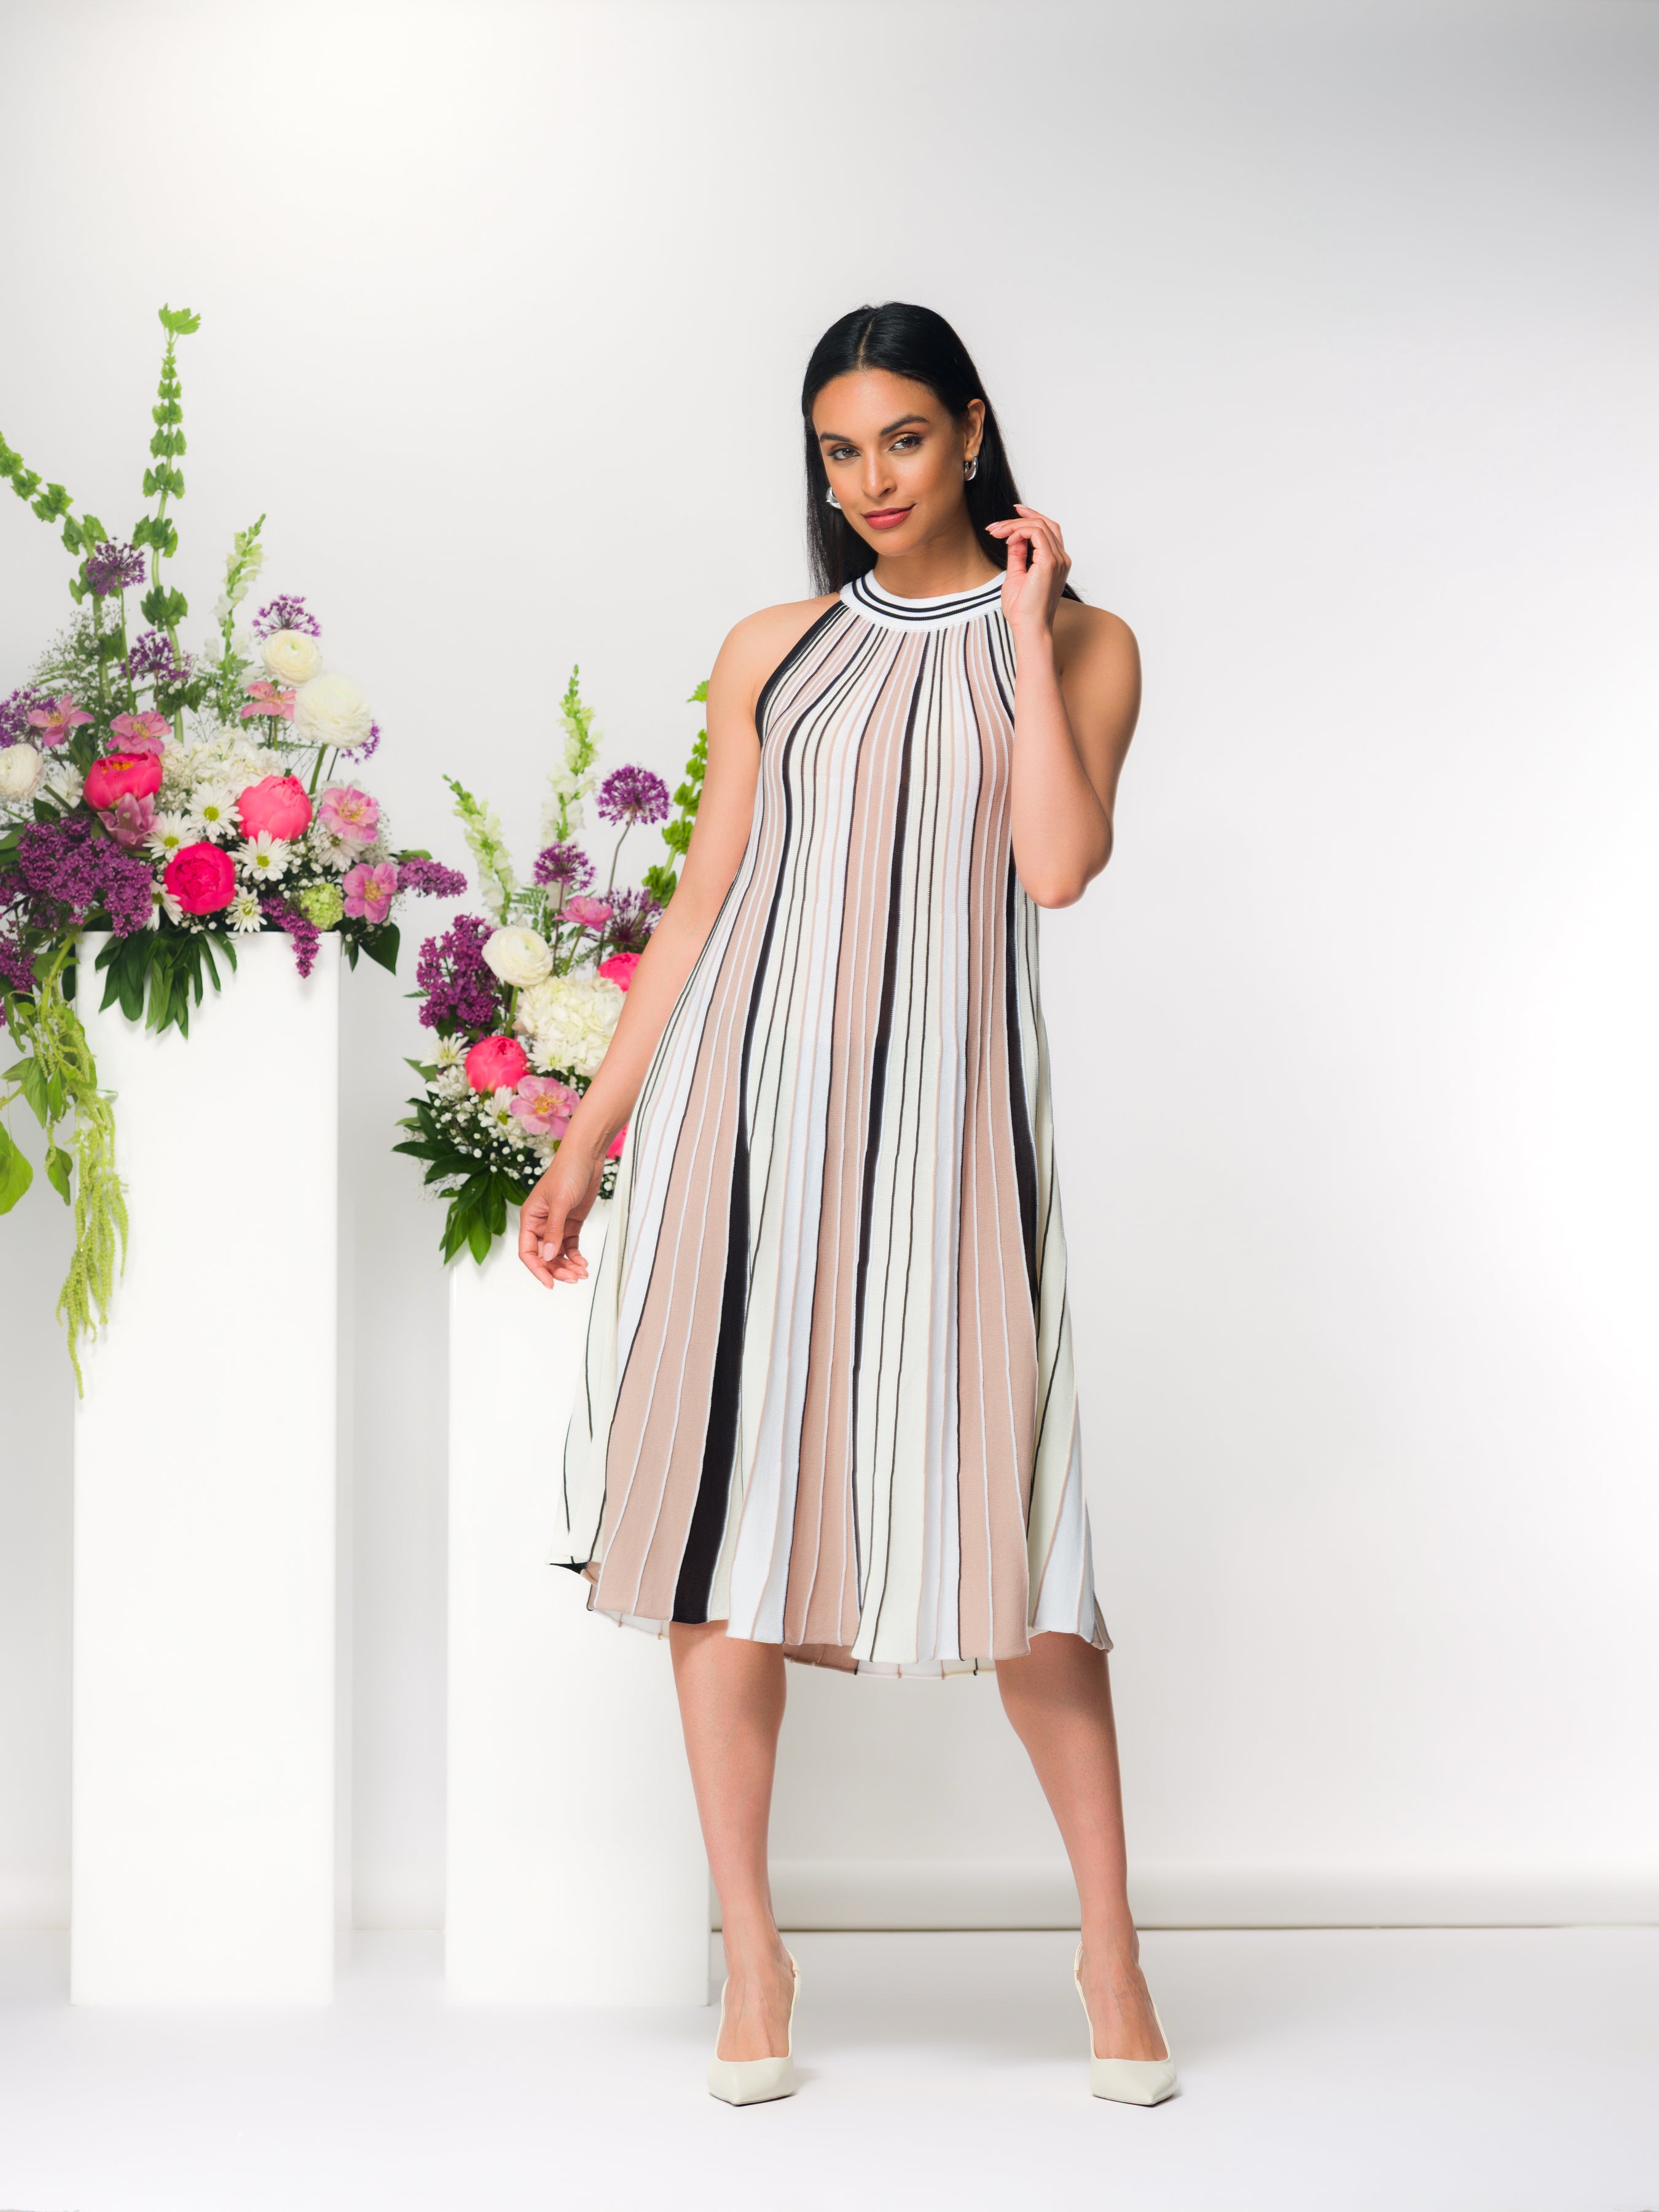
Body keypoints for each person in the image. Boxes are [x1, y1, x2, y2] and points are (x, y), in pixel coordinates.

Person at [519, 301, 1174, 2108]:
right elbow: (702, 902)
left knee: (1022, 1548)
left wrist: (1028, 641)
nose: (868, 480)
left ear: (968, 432)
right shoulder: (773, 646)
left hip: (951, 1137)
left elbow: (1053, 866)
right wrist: (591, 1136)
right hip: (748, 1120)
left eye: (899, 438)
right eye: (835, 450)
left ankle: (1109, 1956)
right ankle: (755, 1953)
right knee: (719, 1541)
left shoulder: (1089, 643)